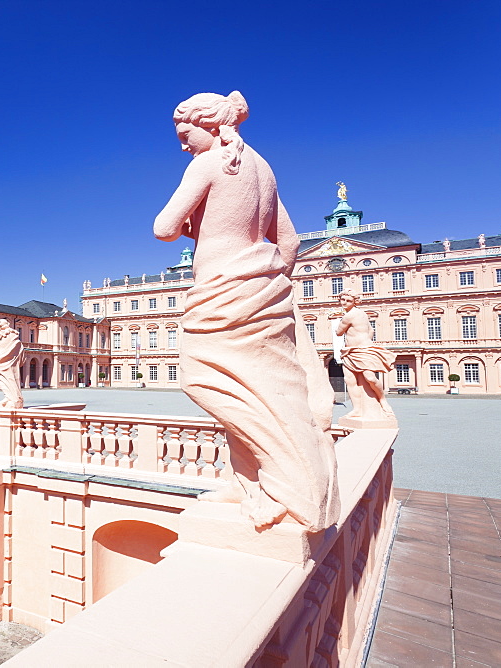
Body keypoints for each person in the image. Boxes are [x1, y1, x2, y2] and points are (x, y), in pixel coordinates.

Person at [153, 91, 338, 532]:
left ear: (210, 124)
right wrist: (266, 282)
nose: (183, 144)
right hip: (262, 289)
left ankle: (283, 484)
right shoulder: (263, 168)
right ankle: (250, 483)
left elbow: (163, 228)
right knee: (264, 385)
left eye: (186, 133)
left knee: (205, 379)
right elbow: (289, 242)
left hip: (220, 289)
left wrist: (192, 225)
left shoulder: (208, 163)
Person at [332, 290, 396, 421]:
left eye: (348, 300)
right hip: (351, 351)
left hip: (361, 350)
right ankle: (357, 409)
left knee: (370, 377)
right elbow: (371, 330)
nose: (344, 302)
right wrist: (365, 340)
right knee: (350, 381)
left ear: (355, 302)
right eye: (342, 299)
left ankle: (382, 400)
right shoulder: (363, 314)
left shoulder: (348, 316)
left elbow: (338, 332)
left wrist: (338, 319)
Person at [0, 319, 25, 409]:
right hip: (13, 362)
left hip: (2, 362)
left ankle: (11, 398)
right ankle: (15, 399)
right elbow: (20, 348)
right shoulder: (15, 335)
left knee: (1, 380)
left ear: (0, 327)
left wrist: (2, 354)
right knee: (14, 380)